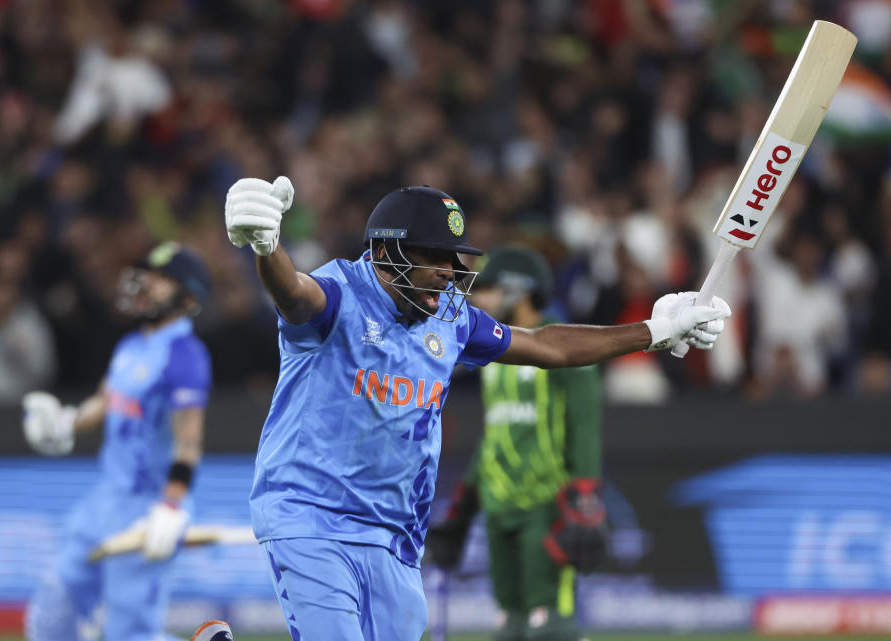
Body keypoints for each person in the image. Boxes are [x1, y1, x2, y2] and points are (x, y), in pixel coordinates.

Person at [221, 177, 729, 641]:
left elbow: (548, 346)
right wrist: (267, 247)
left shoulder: (451, 319)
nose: (449, 273)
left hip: (393, 534)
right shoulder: (338, 295)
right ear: (384, 250)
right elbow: (294, 293)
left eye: (453, 258)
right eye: (434, 257)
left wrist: (655, 332)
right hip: (310, 514)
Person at [22, 242, 213, 641]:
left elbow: (189, 444)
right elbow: (105, 401)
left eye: (161, 279)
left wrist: (170, 505)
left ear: (188, 296)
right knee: (52, 615)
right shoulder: (131, 345)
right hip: (104, 501)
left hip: (148, 509)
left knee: (130, 634)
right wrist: (67, 421)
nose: (146, 283)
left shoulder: (185, 353)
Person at [427, 246, 605, 641]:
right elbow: (495, 436)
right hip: (498, 507)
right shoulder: (493, 356)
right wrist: (463, 508)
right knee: (508, 625)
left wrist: (585, 497)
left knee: (550, 624)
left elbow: (585, 427)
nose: (479, 298)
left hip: (545, 506)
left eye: (488, 288)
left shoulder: (566, 346)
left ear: (519, 291)